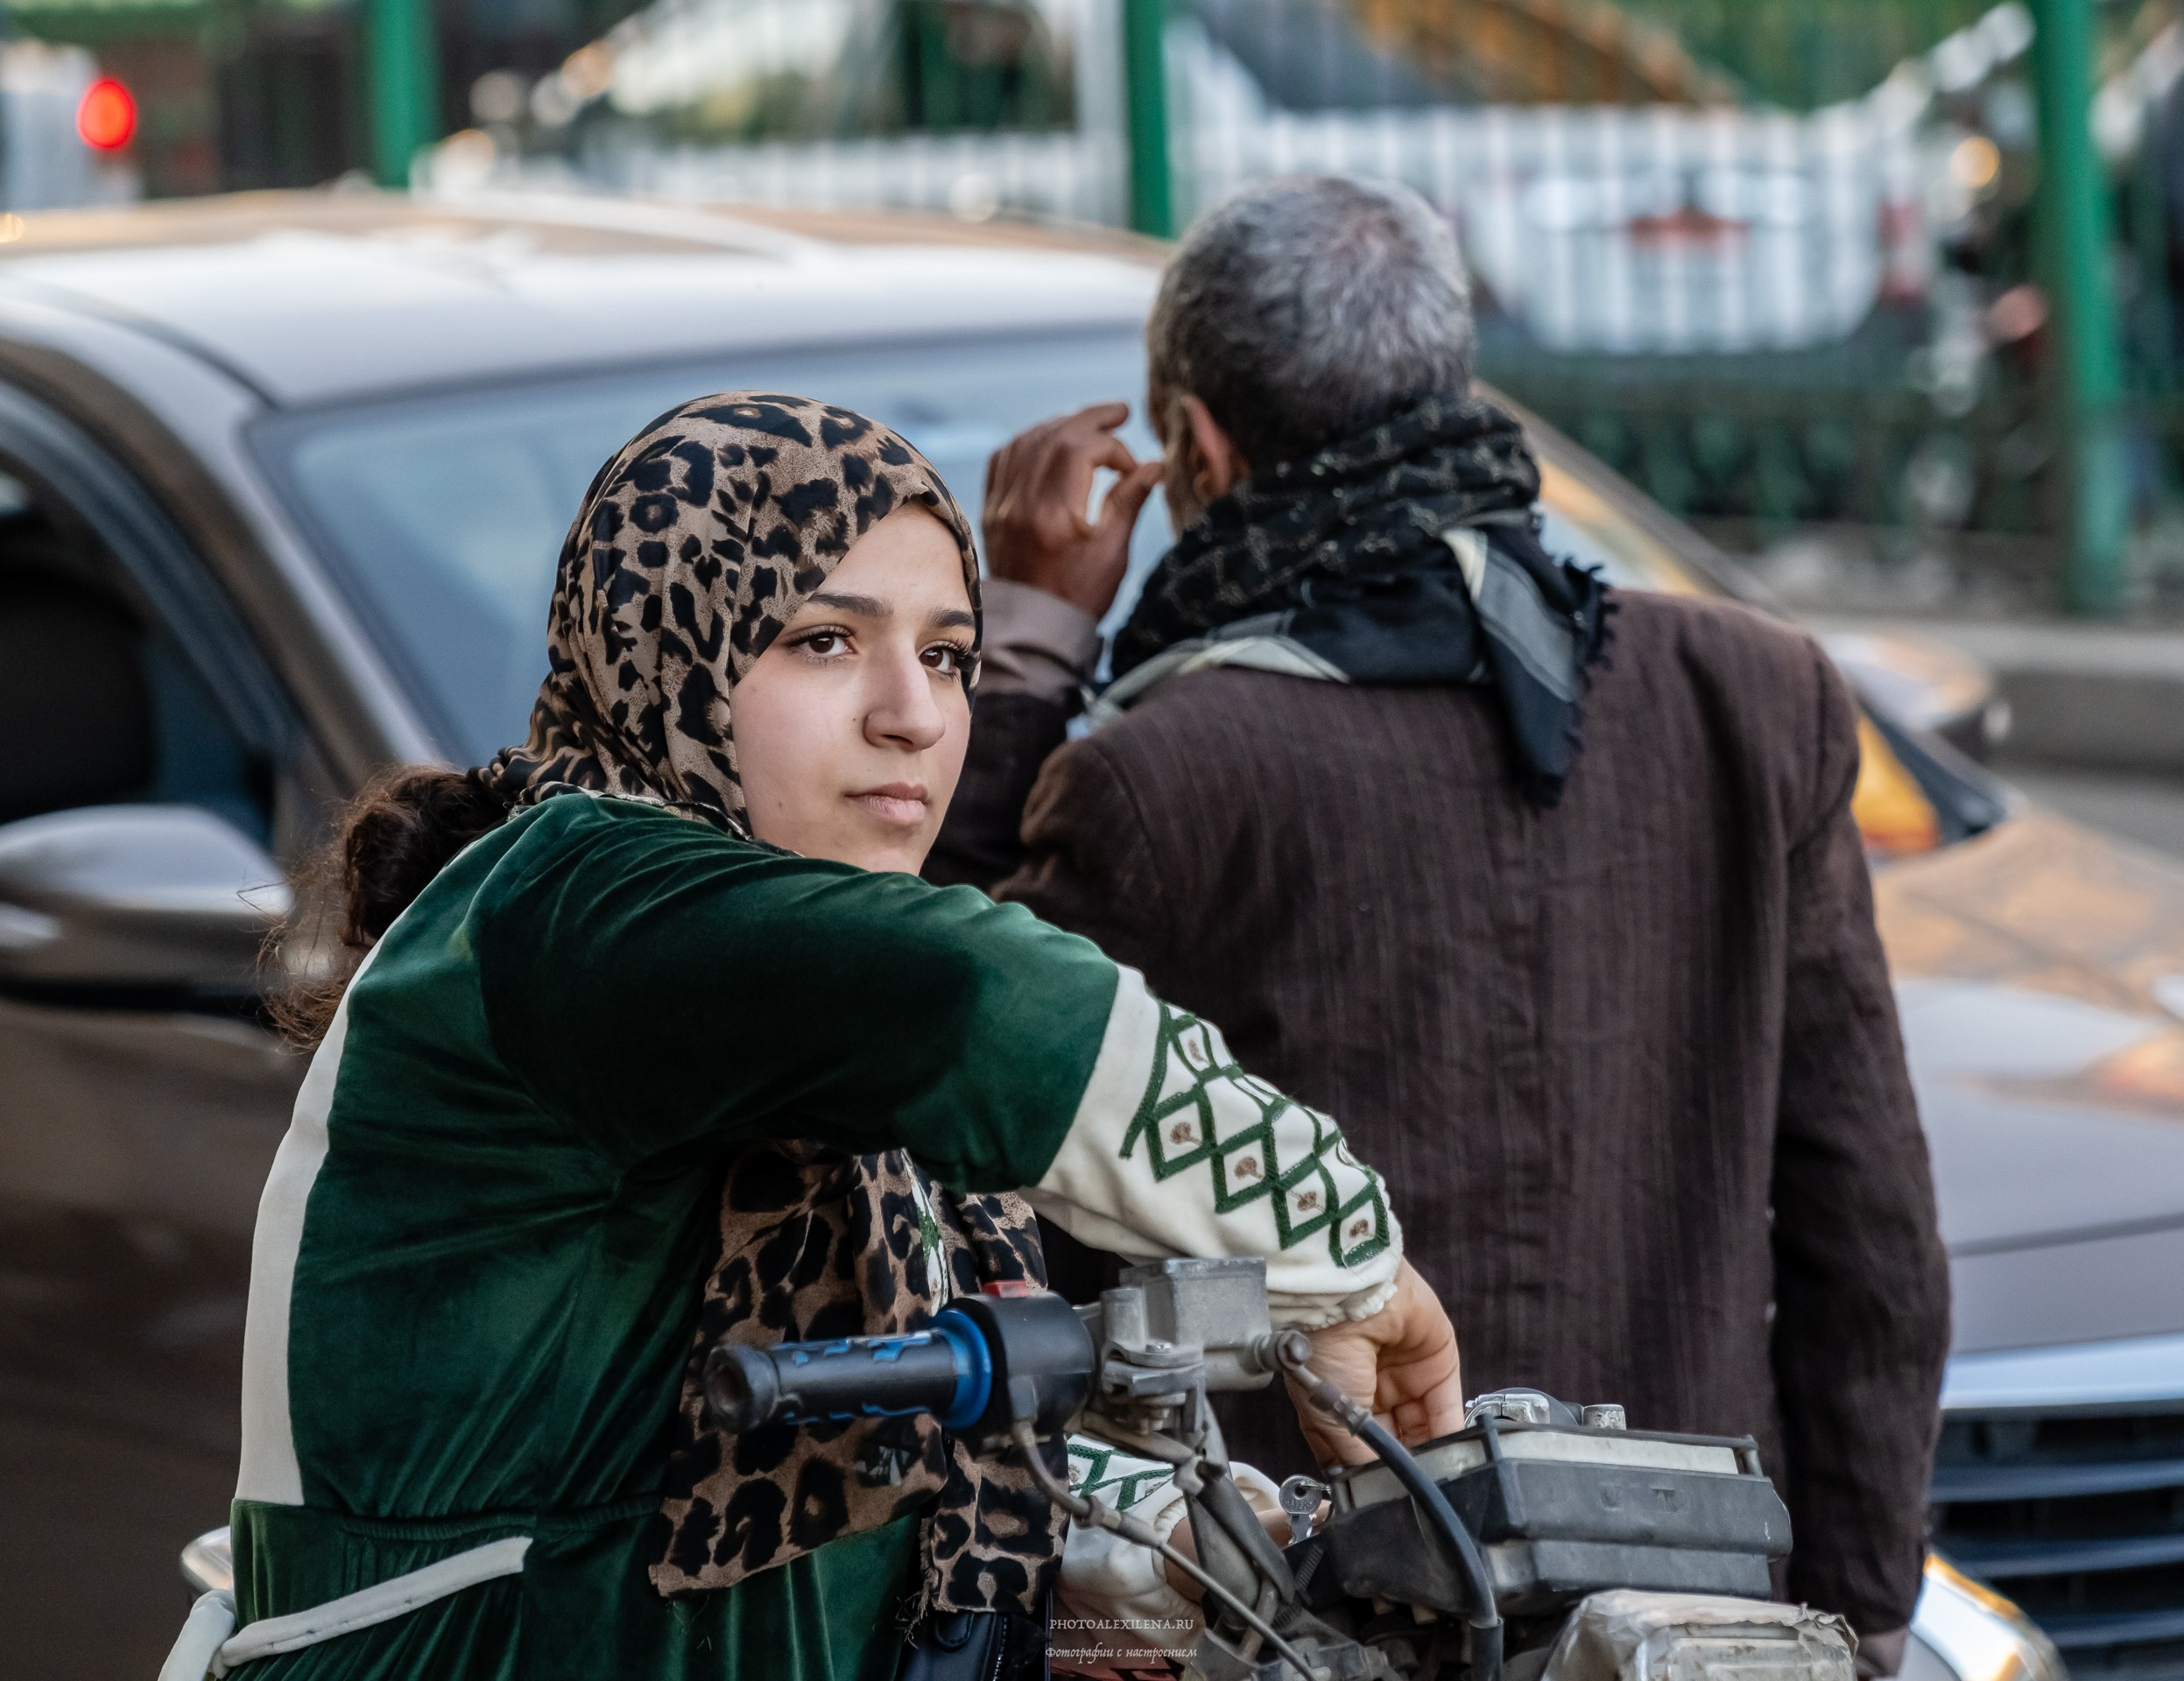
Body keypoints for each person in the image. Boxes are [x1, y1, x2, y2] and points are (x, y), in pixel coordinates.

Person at [165, 393, 1462, 1681]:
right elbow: (980, 1003)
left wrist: (1163, 1547)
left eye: (950, 655)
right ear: (665, 646)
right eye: (825, 640)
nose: (915, 714)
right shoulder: (573, 901)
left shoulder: (778, 1002)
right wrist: (1354, 1270)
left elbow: (830, 1444)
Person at [927, 175, 1951, 1676]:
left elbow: (929, 1069)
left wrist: (1024, 643)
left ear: (1200, 448)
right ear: (1453, 388)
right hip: (1706, 1625)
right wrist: (1856, 1625)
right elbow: (1876, 1247)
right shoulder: (1756, 696)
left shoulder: (1161, 777)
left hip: (1300, 1626)